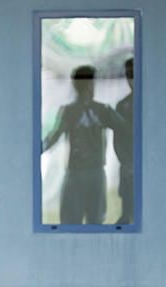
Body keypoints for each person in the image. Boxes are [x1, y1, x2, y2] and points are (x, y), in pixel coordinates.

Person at [42, 65, 127, 224]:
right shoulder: (101, 110)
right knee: (93, 223)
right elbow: (126, 130)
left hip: (79, 173)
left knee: (72, 224)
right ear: (89, 85)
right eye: (92, 82)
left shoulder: (71, 111)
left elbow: (53, 137)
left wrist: (37, 150)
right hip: (90, 173)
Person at [114, 58, 134, 224]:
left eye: (133, 74)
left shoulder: (153, 105)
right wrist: (127, 163)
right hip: (128, 170)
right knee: (127, 215)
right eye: (128, 74)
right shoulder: (122, 105)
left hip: (148, 170)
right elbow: (118, 140)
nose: (130, 78)